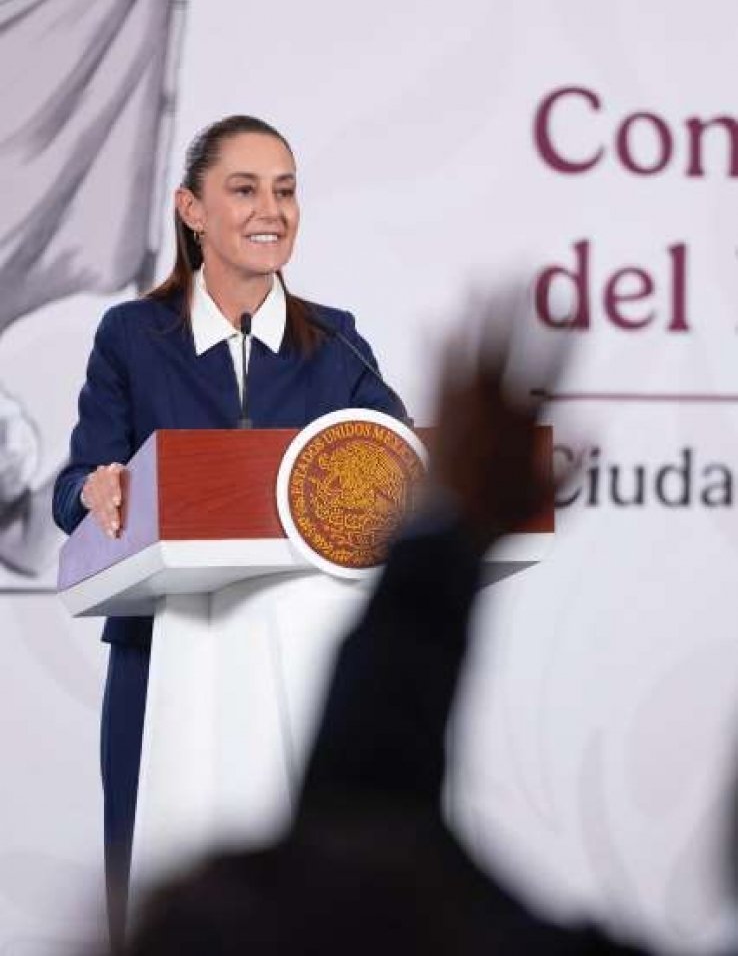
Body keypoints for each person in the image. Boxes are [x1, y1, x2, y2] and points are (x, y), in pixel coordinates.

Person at [122, 298, 651, 956]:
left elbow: (365, 824)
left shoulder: (337, 335)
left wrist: (454, 528)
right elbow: (367, 831)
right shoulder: (140, 335)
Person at [52, 114, 407, 950]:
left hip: (302, 657)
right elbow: (76, 486)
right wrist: (95, 488)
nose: (271, 209)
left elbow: (398, 461)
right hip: (161, 653)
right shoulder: (132, 337)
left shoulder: (337, 342)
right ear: (192, 209)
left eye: (285, 190)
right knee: (158, 893)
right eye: (244, 188)